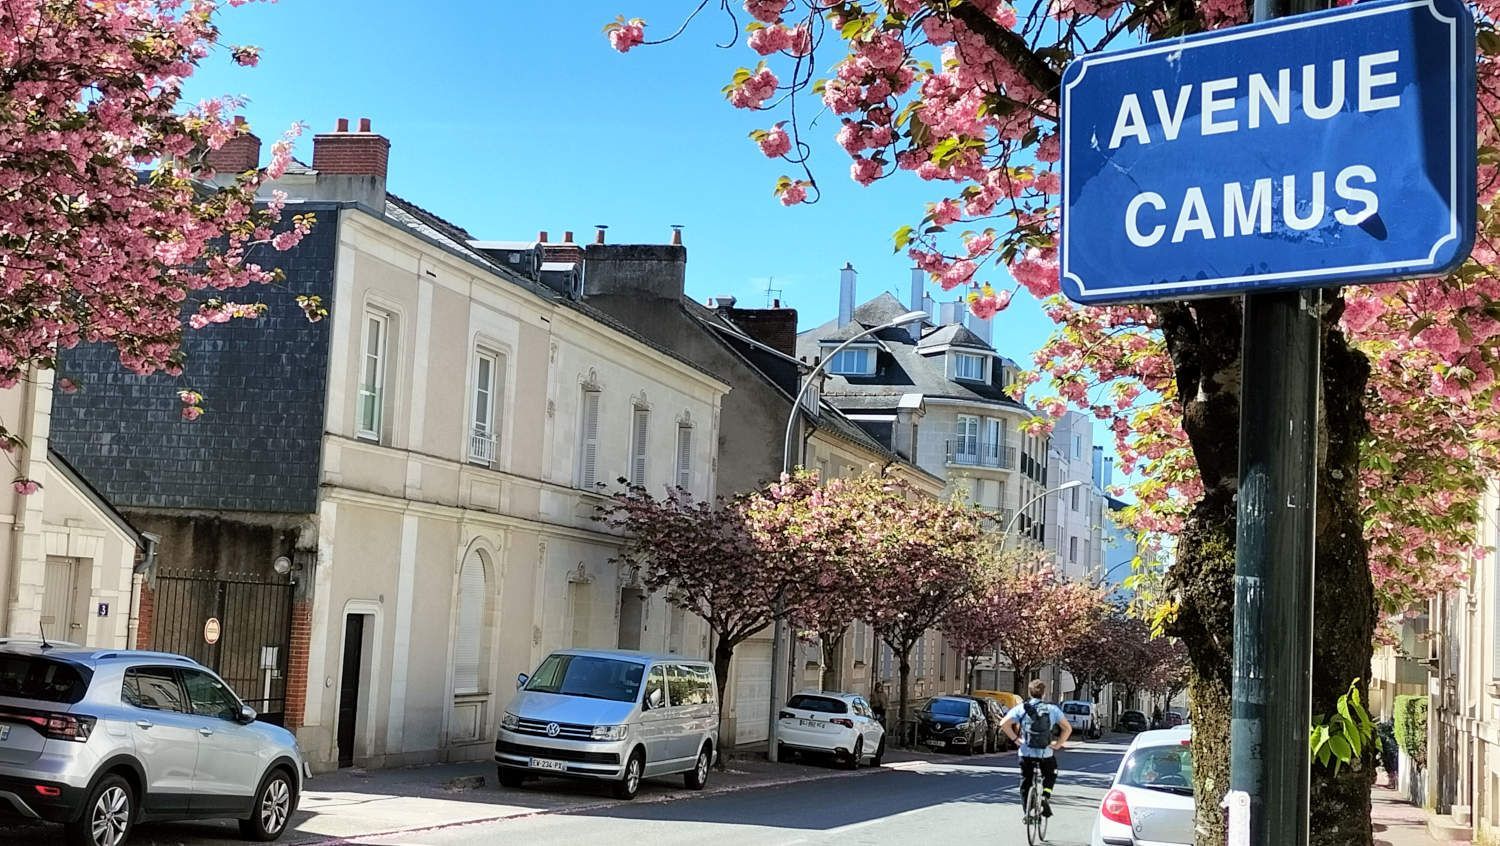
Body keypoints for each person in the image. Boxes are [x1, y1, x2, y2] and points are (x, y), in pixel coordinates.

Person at [1001, 679, 1073, 819]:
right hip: (1045, 753)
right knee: (1050, 774)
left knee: (1025, 782)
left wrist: (1016, 740)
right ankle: (1045, 795)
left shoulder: (1022, 708)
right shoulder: (1052, 709)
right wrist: (1058, 744)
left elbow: (1003, 723)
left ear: (1030, 692)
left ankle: (1027, 814)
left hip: (1026, 752)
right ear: (1044, 694)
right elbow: (1067, 728)